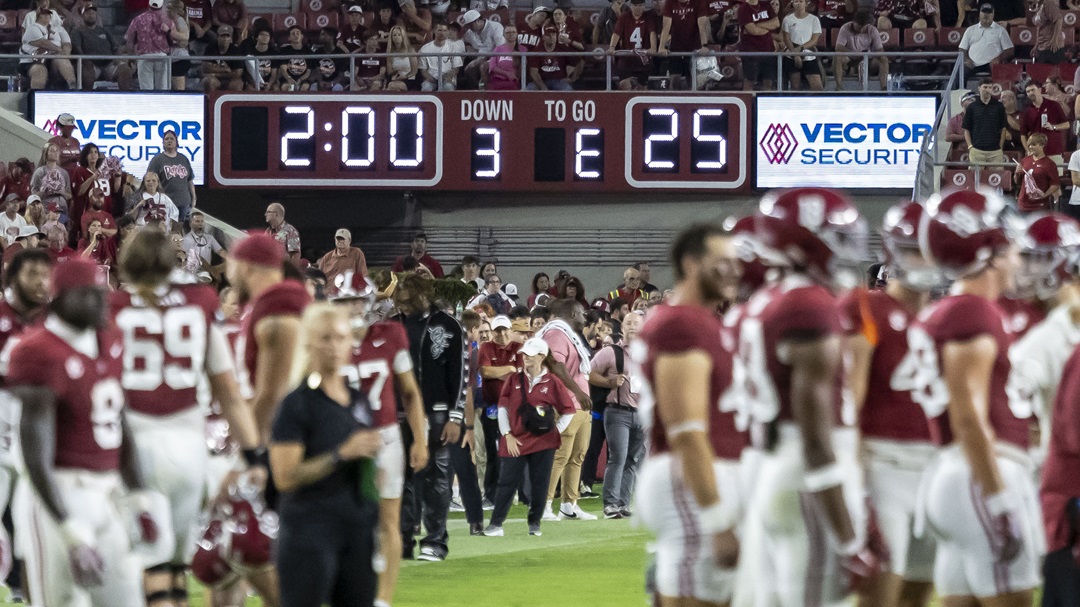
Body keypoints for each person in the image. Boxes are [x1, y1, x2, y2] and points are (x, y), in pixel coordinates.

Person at [735, 189, 884, 606]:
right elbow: (815, 436)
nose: (847, 250)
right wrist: (850, 539)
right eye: (837, 238)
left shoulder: (767, 300)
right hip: (806, 473)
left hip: (776, 464)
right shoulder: (807, 304)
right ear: (805, 244)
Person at [112, 230, 265, 605]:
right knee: (177, 573)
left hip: (130, 451)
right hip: (187, 450)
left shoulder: (110, 309)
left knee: (147, 572)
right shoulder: (198, 305)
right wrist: (253, 455)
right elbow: (229, 393)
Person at [914, 189, 1043, 606]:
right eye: (1010, 249)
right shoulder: (973, 311)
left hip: (958, 474)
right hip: (981, 474)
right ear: (988, 254)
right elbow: (968, 415)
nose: (1017, 259)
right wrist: (999, 499)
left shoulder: (951, 308)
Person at [9, 258, 159, 607]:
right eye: (91, 294)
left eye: (103, 292)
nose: (103, 301)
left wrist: (139, 498)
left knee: (126, 599)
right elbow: (36, 455)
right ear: (62, 298)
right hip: (59, 493)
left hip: (107, 492)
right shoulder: (37, 352)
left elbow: (121, 423)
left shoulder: (109, 339)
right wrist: (67, 529)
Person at [632, 222, 745, 606]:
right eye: (722, 262)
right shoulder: (682, 323)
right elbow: (686, 430)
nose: (734, 270)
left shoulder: (700, 321)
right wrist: (716, 519)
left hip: (704, 471)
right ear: (691, 264)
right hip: (689, 477)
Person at [842, 201, 942, 607]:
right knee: (881, 594)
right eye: (916, 250)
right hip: (883, 465)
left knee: (918, 593)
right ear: (893, 250)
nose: (926, 260)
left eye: (932, 249)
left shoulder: (944, 316)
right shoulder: (866, 307)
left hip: (934, 468)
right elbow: (849, 401)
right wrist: (854, 480)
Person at [269, 303, 382, 607]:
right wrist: (340, 454)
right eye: (326, 338)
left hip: (357, 529)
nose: (335, 346)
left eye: (341, 338)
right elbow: (285, 477)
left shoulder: (358, 401)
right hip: (309, 528)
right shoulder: (296, 405)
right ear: (308, 343)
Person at [333, 274, 428, 607]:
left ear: (370, 301)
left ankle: (383, 601)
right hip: (340, 440)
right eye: (345, 301)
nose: (352, 307)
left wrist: (420, 440)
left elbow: (410, 393)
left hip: (384, 436)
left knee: (388, 521)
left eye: (357, 300)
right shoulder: (325, 340)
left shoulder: (390, 334)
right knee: (337, 519)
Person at [390, 272, 466, 562]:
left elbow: (460, 374)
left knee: (437, 480)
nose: (403, 307)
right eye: (399, 302)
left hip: (437, 414)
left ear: (424, 296)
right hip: (398, 414)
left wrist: (455, 417)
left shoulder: (448, 326)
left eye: (408, 301)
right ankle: (402, 541)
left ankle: (435, 541)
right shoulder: (391, 325)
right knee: (400, 478)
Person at [482, 337, 575, 537]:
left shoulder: (553, 381)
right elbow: (503, 408)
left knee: (540, 483)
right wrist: (507, 434)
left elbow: (568, 410)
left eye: (531, 355)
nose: (526, 358)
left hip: (543, 442)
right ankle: (496, 524)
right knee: (507, 481)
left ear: (542, 356)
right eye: (525, 355)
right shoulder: (513, 379)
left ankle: (534, 523)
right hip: (515, 439)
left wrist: (555, 430)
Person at [536, 298, 596, 522]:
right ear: (572, 314)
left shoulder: (569, 335)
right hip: (566, 403)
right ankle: (543, 505)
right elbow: (555, 365)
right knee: (559, 456)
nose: (584, 317)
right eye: (581, 313)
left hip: (580, 405)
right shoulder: (556, 334)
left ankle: (569, 505)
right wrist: (578, 392)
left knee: (577, 455)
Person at [589, 310, 645, 519]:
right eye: (628, 323)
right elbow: (589, 373)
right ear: (621, 327)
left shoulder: (649, 352)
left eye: (636, 323)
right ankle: (611, 504)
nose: (632, 327)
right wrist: (609, 382)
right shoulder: (611, 352)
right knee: (618, 457)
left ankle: (623, 502)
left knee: (632, 459)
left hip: (642, 412)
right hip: (618, 411)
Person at [477, 315, 521, 503]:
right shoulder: (486, 348)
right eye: (497, 330)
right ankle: (491, 493)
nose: (501, 334)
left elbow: (521, 376)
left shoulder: (519, 348)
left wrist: (499, 373)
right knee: (492, 451)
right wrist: (509, 369)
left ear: (510, 330)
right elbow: (485, 371)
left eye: (504, 330)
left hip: (515, 408)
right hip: (492, 407)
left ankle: (516, 491)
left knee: (515, 450)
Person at [146, 130, 197, 223]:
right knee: (167, 229)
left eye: (172, 139)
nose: (169, 141)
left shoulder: (183, 159)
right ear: (163, 143)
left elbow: (190, 180)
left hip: (184, 203)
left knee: (181, 229)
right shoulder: (157, 160)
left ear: (176, 142)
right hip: (165, 203)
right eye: (166, 139)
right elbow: (149, 180)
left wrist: (193, 197)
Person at [20, 9, 77, 91]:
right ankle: (36, 95)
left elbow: (67, 43)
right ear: (38, 17)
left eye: (48, 14)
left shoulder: (59, 29)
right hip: (32, 61)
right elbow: (42, 43)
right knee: (39, 70)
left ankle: (72, 86)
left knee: (62, 60)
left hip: (52, 60)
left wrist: (65, 53)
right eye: (43, 14)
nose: (47, 16)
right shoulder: (32, 28)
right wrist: (58, 49)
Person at [833, 9, 888, 91]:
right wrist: (853, 53)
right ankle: (838, 87)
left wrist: (869, 55)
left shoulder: (873, 30)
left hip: (868, 58)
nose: (861, 30)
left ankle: (884, 88)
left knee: (883, 58)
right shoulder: (845, 28)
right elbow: (838, 47)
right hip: (850, 57)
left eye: (864, 27)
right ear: (854, 22)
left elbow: (880, 50)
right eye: (859, 26)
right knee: (837, 56)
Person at [125, 0, 173, 91]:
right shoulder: (167, 20)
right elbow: (174, 39)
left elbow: (129, 40)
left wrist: (130, 56)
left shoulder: (138, 19)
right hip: (162, 56)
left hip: (144, 56)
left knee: (146, 90)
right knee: (163, 89)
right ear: (161, 5)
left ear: (149, 4)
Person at [609, 0, 656, 91]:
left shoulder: (648, 17)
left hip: (643, 61)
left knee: (642, 88)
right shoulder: (624, 17)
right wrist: (612, 47)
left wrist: (653, 47)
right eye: (635, 5)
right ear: (630, 6)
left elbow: (652, 33)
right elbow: (616, 33)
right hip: (627, 61)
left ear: (644, 6)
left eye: (640, 5)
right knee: (624, 84)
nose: (638, 8)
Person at [1021, 81, 1069, 168]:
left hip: (1054, 151)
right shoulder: (1027, 111)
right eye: (1028, 91)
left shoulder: (1054, 105)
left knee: (1056, 176)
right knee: (1037, 175)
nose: (1030, 93)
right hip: (1036, 154)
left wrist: (1053, 127)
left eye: (1033, 90)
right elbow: (1023, 135)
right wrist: (1028, 150)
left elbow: (1066, 124)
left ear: (1040, 90)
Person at [963, 77, 1007, 166]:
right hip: (976, 150)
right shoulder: (972, 107)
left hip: (995, 151)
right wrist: (970, 146)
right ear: (979, 88)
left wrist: (1000, 146)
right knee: (975, 175)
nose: (987, 90)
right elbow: (966, 128)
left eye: (990, 87)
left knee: (997, 174)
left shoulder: (999, 106)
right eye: (985, 87)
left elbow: (1003, 128)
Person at [958, 3, 1013, 76]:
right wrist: (967, 59)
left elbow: (1009, 50)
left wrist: (998, 58)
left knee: (1001, 75)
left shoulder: (1001, 30)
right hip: (972, 64)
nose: (986, 15)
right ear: (979, 14)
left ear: (993, 15)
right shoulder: (970, 30)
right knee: (959, 75)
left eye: (989, 13)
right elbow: (962, 48)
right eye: (984, 12)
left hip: (992, 64)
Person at [782, 0, 823, 91]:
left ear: (806, 3)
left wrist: (801, 48)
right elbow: (786, 39)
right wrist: (795, 54)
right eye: (796, 1)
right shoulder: (787, 19)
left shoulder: (814, 19)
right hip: (791, 55)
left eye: (801, 1)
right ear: (793, 3)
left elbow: (814, 40)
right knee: (795, 87)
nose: (798, 4)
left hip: (809, 55)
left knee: (817, 87)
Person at [738, 0, 779, 91]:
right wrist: (768, 27)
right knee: (749, 82)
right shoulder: (743, 8)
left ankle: (766, 100)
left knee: (768, 82)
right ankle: (747, 100)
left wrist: (757, 24)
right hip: (751, 52)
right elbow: (754, 31)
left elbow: (776, 23)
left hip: (768, 50)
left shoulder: (766, 4)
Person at [1015, 132, 1060, 213]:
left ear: (1042, 145)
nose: (1030, 147)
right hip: (1023, 205)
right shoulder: (1025, 160)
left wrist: (1045, 195)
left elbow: (1055, 185)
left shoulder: (1049, 164)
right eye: (1029, 145)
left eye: (1033, 145)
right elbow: (1017, 182)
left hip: (1040, 207)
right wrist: (1016, 173)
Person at [318, 229, 367, 297]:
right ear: (335, 240)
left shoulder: (356, 253)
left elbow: (362, 275)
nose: (340, 241)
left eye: (343, 239)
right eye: (338, 239)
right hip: (328, 295)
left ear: (349, 240)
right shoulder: (327, 257)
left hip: (348, 296)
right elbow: (319, 277)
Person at [462, 9, 503, 87]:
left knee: (483, 67)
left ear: (477, 21)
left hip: (496, 57)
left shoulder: (495, 27)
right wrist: (469, 48)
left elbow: (501, 48)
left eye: (470, 25)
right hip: (480, 57)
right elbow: (464, 41)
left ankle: (487, 91)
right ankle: (476, 91)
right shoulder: (470, 32)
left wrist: (488, 60)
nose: (469, 28)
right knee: (468, 70)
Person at [30, 142, 72, 216]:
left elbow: (69, 195)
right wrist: (44, 191)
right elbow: (34, 195)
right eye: (52, 151)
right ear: (46, 153)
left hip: (61, 208)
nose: (55, 153)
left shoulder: (64, 173)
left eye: (57, 151)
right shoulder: (40, 172)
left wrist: (61, 192)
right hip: (45, 209)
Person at [419, 21, 461, 91]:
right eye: (439, 30)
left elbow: (456, 68)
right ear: (434, 31)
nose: (442, 33)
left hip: (447, 78)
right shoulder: (425, 48)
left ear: (448, 32)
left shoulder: (454, 47)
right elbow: (423, 69)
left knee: (448, 87)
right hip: (431, 78)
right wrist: (429, 77)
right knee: (426, 88)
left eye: (445, 30)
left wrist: (449, 76)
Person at [203, 24, 244, 91]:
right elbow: (206, 67)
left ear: (231, 38)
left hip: (229, 79)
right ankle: (211, 98)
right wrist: (225, 70)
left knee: (237, 84)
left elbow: (237, 73)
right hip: (215, 79)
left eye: (227, 36)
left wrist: (216, 74)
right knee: (209, 81)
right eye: (222, 36)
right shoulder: (210, 48)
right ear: (218, 37)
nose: (225, 39)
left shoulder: (236, 50)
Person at [385, 25, 418, 90]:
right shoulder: (389, 52)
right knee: (394, 87)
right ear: (391, 38)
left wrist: (405, 76)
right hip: (395, 78)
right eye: (394, 35)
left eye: (399, 35)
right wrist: (396, 75)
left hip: (409, 78)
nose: (397, 37)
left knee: (393, 87)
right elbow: (389, 71)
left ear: (403, 36)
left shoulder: (410, 50)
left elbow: (414, 70)